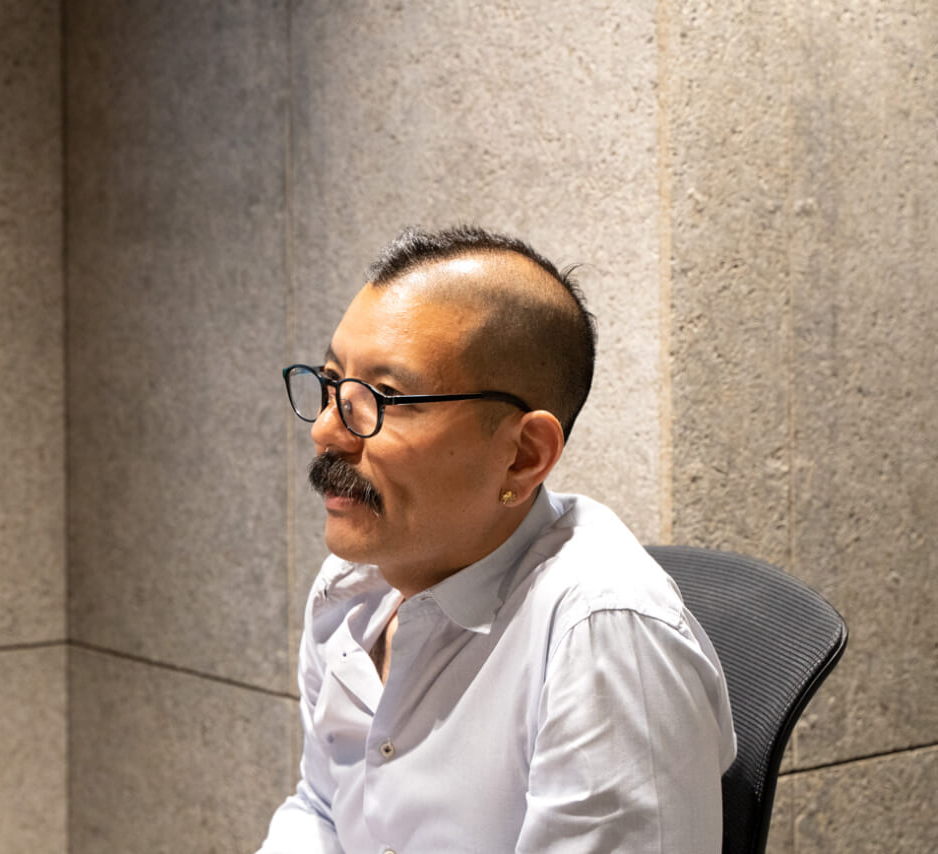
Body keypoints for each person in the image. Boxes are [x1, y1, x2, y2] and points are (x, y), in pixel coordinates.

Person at [257, 226, 735, 853]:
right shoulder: (353, 585)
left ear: (523, 455)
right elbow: (322, 808)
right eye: (331, 383)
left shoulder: (604, 635)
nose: (326, 430)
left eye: (384, 397)